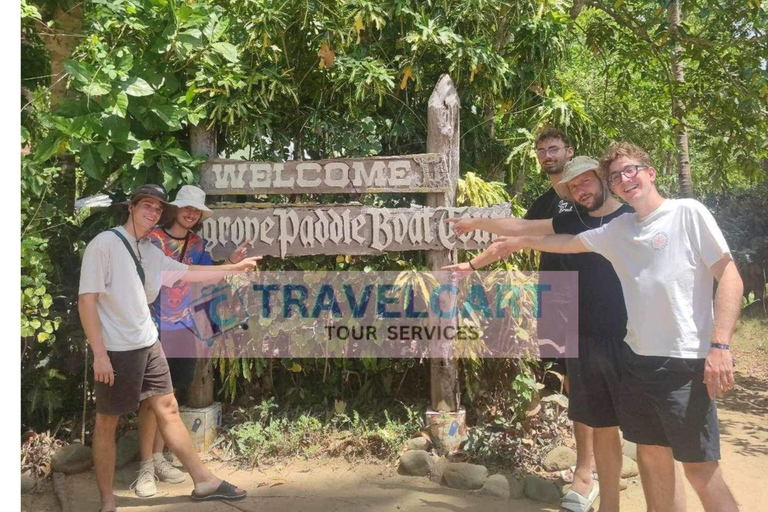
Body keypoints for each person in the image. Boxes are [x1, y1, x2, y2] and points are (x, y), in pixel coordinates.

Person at [487, 142, 743, 512]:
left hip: (684, 363)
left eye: (630, 170)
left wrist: (720, 346)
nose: (624, 179)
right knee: (652, 460)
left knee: (700, 469)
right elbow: (568, 242)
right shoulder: (621, 227)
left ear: (650, 172)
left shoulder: (687, 213)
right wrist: (511, 244)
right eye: (616, 176)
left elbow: (730, 277)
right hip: (636, 361)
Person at [444, 156, 632, 512]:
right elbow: (518, 231)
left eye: (585, 182)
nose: (579, 190)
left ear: (603, 179)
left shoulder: (632, 217)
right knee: (599, 421)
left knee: (648, 434)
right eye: (573, 187)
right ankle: (599, 492)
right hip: (585, 334)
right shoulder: (572, 219)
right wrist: (473, 232)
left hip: (633, 337)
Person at [78, 184, 261, 512]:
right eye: (146, 205)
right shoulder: (104, 244)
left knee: (169, 408)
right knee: (108, 421)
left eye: (158, 208)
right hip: (118, 349)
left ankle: (204, 481)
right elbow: (87, 300)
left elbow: (189, 273)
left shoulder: (150, 250)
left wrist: (233, 268)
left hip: (149, 342)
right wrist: (100, 354)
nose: (153, 212)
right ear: (131, 207)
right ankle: (108, 501)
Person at [129, 185, 248, 497]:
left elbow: (205, 274)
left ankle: (159, 457)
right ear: (176, 209)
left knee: (170, 395)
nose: (191, 213)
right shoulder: (151, 239)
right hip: (151, 327)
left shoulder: (197, 243)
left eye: (196, 211)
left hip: (183, 326)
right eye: (186, 208)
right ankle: (144, 467)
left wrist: (231, 262)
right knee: (150, 398)